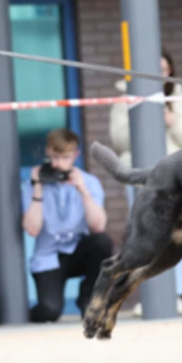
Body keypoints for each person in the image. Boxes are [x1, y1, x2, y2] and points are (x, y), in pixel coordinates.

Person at [108, 52, 182, 315]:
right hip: (142, 177)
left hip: (178, 178)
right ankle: (146, 294)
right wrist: (143, 119)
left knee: (177, 235)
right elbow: (118, 139)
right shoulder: (125, 99)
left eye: (163, 68)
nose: (159, 73)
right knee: (144, 235)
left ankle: (173, 294)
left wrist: (173, 122)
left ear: (170, 70)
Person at [21, 128, 114, 322]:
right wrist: (38, 188)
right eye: (54, 157)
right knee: (49, 311)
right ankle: (32, 311)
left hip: (78, 251)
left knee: (102, 242)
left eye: (65, 158)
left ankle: (89, 299)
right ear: (47, 152)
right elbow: (32, 229)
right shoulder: (32, 185)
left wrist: (83, 191)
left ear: (76, 155)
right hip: (49, 256)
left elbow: (98, 227)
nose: (59, 164)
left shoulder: (89, 182)